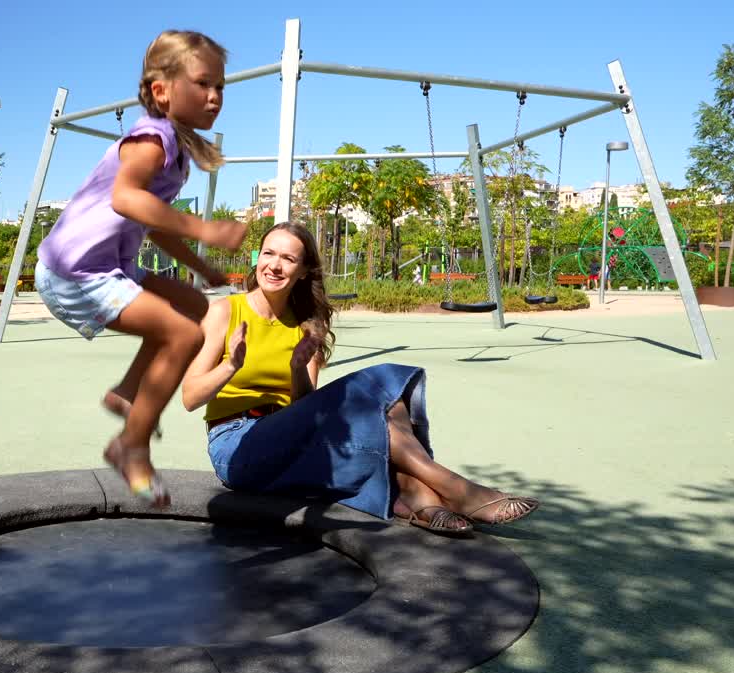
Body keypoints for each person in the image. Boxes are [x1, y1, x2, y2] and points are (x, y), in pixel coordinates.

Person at [182, 222, 539, 535]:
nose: (274, 265)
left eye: (288, 259)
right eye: (268, 254)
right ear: (257, 258)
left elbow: (308, 413)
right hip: (237, 446)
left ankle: (422, 501)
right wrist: (230, 367)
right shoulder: (225, 312)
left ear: (304, 270)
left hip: (290, 441)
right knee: (377, 382)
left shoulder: (308, 325)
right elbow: (189, 397)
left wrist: (296, 371)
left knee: (383, 407)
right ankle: (457, 488)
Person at [35, 30, 245, 507]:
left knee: (194, 307)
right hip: (78, 272)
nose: (214, 97)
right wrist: (206, 230)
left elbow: (155, 228)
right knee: (183, 337)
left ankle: (131, 392)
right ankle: (131, 444)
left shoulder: (177, 152)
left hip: (108, 267)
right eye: (202, 83)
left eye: (221, 87)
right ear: (161, 90)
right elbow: (126, 199)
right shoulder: (151, 139)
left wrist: (200, 266)